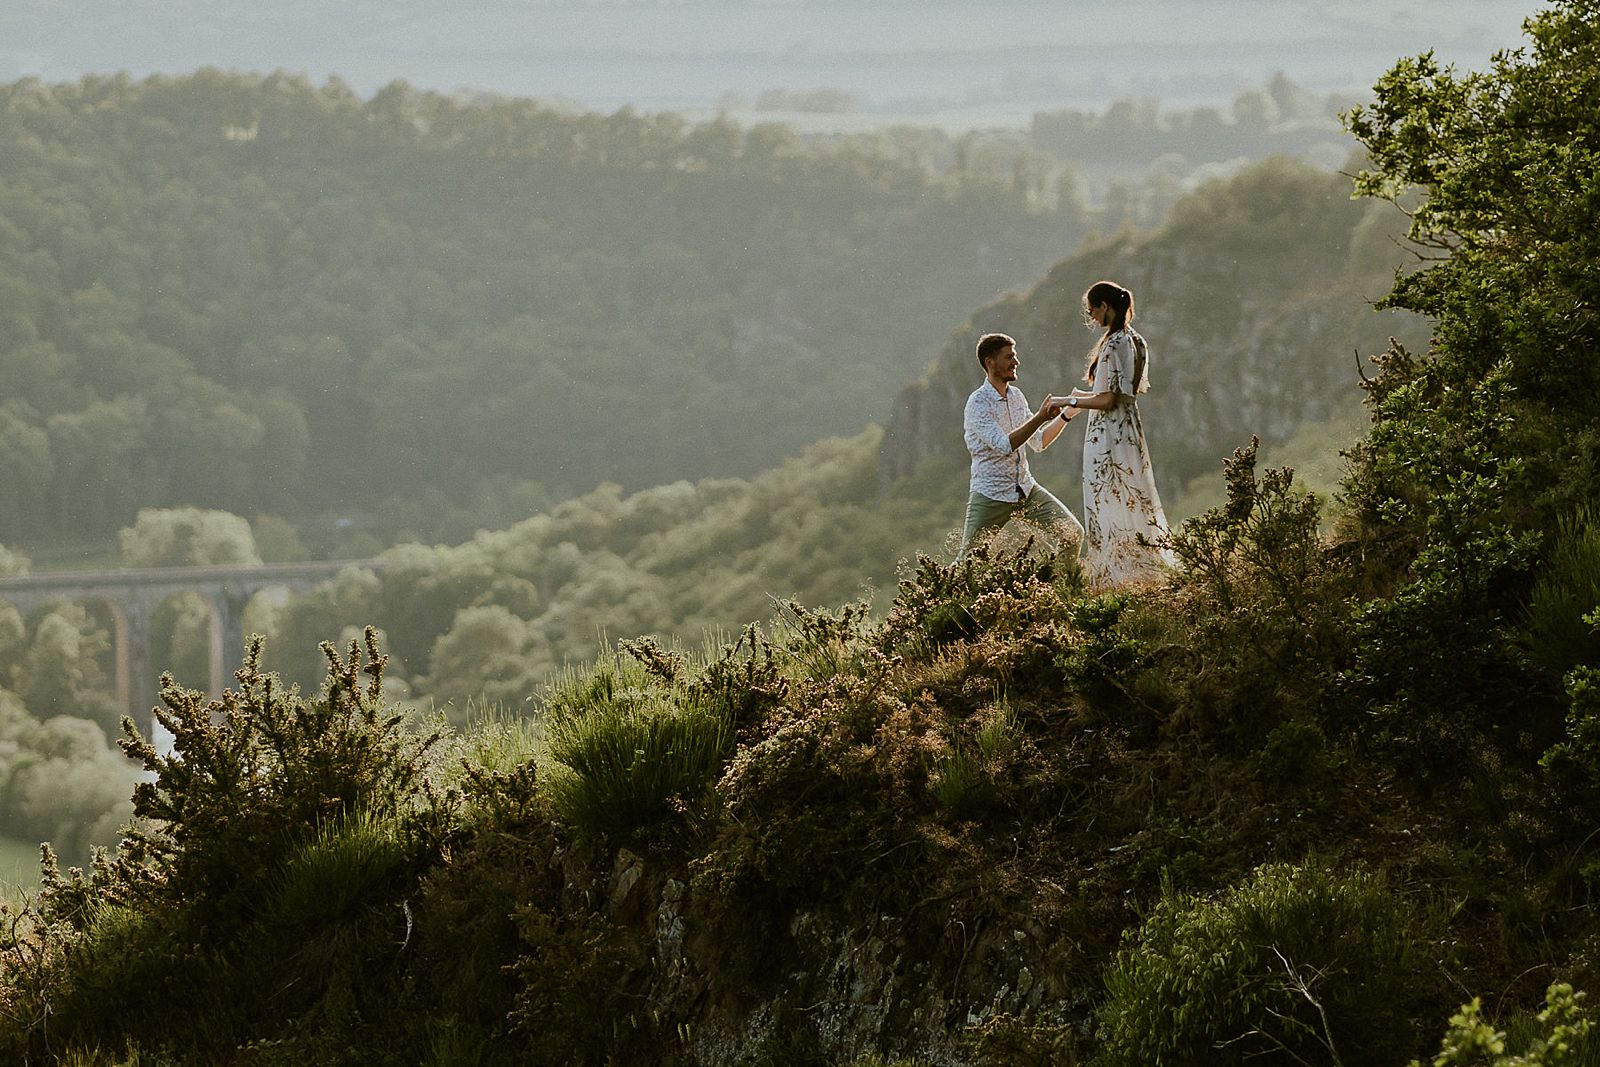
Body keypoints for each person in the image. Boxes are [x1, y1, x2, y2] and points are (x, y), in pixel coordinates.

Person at [1059, 281, 1176, 587]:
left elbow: (1107, 399)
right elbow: (1122, 392)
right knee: (1132, 495)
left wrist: (1067, 401)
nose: (1092, 317)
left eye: (1092, 310)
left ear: (1104, 306)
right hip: (1128, 428)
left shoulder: (1113, 344)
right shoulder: (1135, 340)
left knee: (1107, 499)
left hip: (1107, 432)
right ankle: (1142, 571)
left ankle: (1116, 577)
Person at [957, 332, 1084, 561]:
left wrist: (1066, 414)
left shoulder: (1016, 396)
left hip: (1025, 489)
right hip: (990, 494)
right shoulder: (977, 403)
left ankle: (1056, 592)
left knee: (1072, 534)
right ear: (990, 362)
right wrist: (1040, 416)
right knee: (968, 562)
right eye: (1009, 357)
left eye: (1014, 356)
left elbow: (1039, 441)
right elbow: (1005, 445)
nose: (1016, 362)